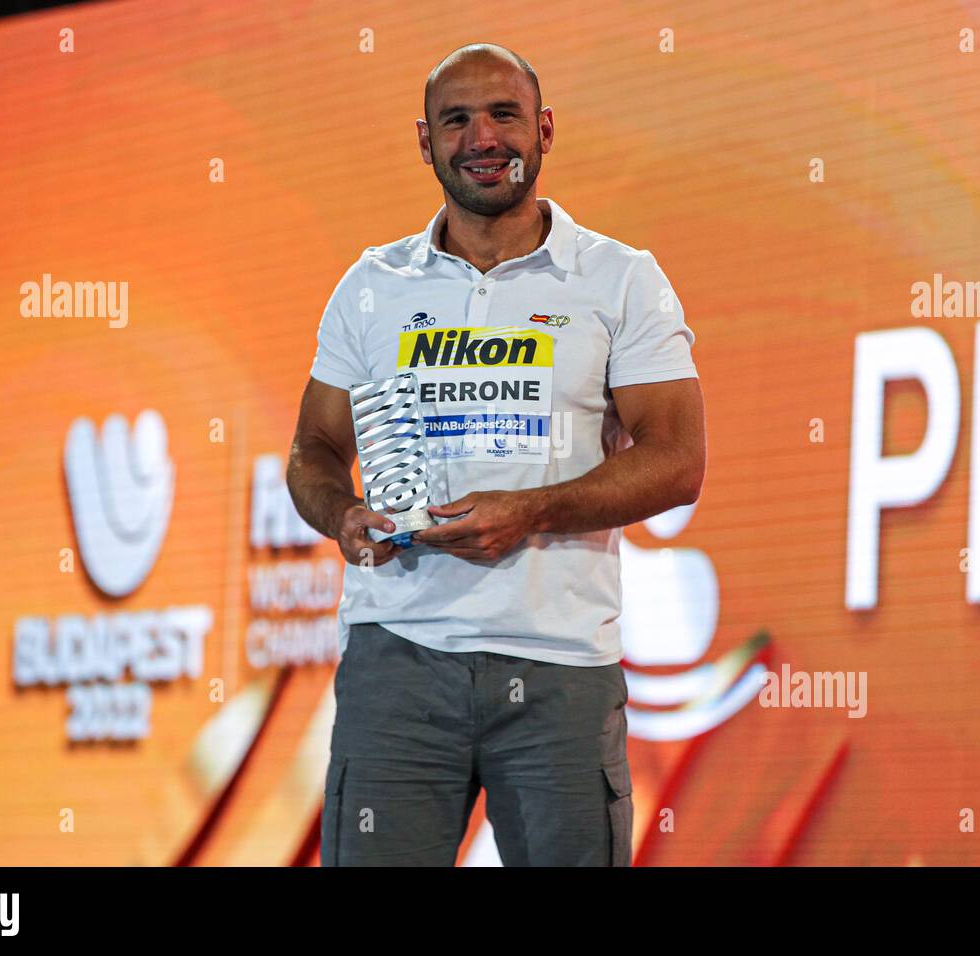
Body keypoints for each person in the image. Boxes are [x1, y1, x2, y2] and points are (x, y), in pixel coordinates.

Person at [287, 42, 705, 866]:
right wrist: (341, 515)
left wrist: (532, 511)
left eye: (504, 115)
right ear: (425, 141)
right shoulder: (371, 287)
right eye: (457, 119)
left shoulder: (620, 279)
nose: (483, 136)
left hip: (559, 666)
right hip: (397, 661)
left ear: (544, 129)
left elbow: (677, 459)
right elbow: (314, 446)